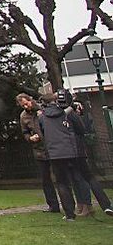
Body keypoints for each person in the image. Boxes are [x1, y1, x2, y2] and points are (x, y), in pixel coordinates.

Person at [37, 91, 82, 220]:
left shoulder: (42, 117)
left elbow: (43, 132)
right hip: (70, 150)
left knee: (62, 183)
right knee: (77, 178)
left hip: (55, 153)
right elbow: (79, 128)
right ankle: (83, 205)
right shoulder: (64, 113)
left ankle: (69, 214)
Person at [67, 94, 113, 217]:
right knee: (81, 178)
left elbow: (84, 128)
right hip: (76, 150)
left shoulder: (68, 114)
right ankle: (92, 205)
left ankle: (89, 205)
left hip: (73, 151)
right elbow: (82, 129)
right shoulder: (69, 114)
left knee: (81, 178)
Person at [18, 93, 61, 213]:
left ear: (30, 100)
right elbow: (25, 132)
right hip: (39, 150)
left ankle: (68, 204)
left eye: (26, 104)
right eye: (23, 106)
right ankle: (53, 205)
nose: (26, 107)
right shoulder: (23, 116)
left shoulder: (43, 109)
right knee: (46, 179)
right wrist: (30, 138)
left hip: (53, 147)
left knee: (61, 176)